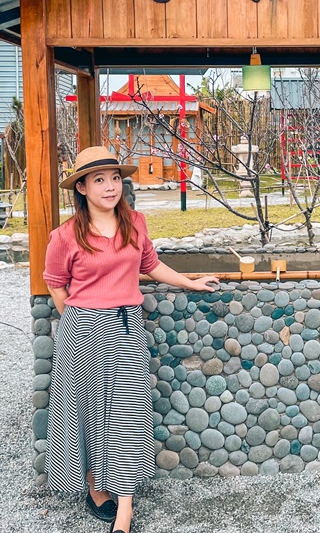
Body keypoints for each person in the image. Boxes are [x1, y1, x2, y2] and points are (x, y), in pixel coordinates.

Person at [43, 146, 219, 533]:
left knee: (127, 417)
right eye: (98, 180)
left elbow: (150, 265)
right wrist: (81, 318)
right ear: (83, 188)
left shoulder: (134, 222)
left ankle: (124, 512)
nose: (109, 187)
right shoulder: (66, 235)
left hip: (126, 329)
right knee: (87, 415)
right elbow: (55, 284)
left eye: (114, 178)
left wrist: (191, 282)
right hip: (83, 332)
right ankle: (95, 488)